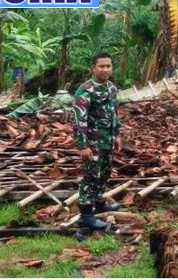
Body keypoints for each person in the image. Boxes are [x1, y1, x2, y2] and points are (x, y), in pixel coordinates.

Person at [73, 52, 122, 229]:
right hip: (92, 142)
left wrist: (116, 135)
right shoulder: (86, 90)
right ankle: (86, 214)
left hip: (107, 140)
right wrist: (83, 145)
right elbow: (80, 120)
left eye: (108, 66)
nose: (105, 69)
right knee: (90, 176)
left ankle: (100, 202)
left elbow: (115, 113)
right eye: (101, 66)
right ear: (93, 68)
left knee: (105, 172)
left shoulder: (112, 88)